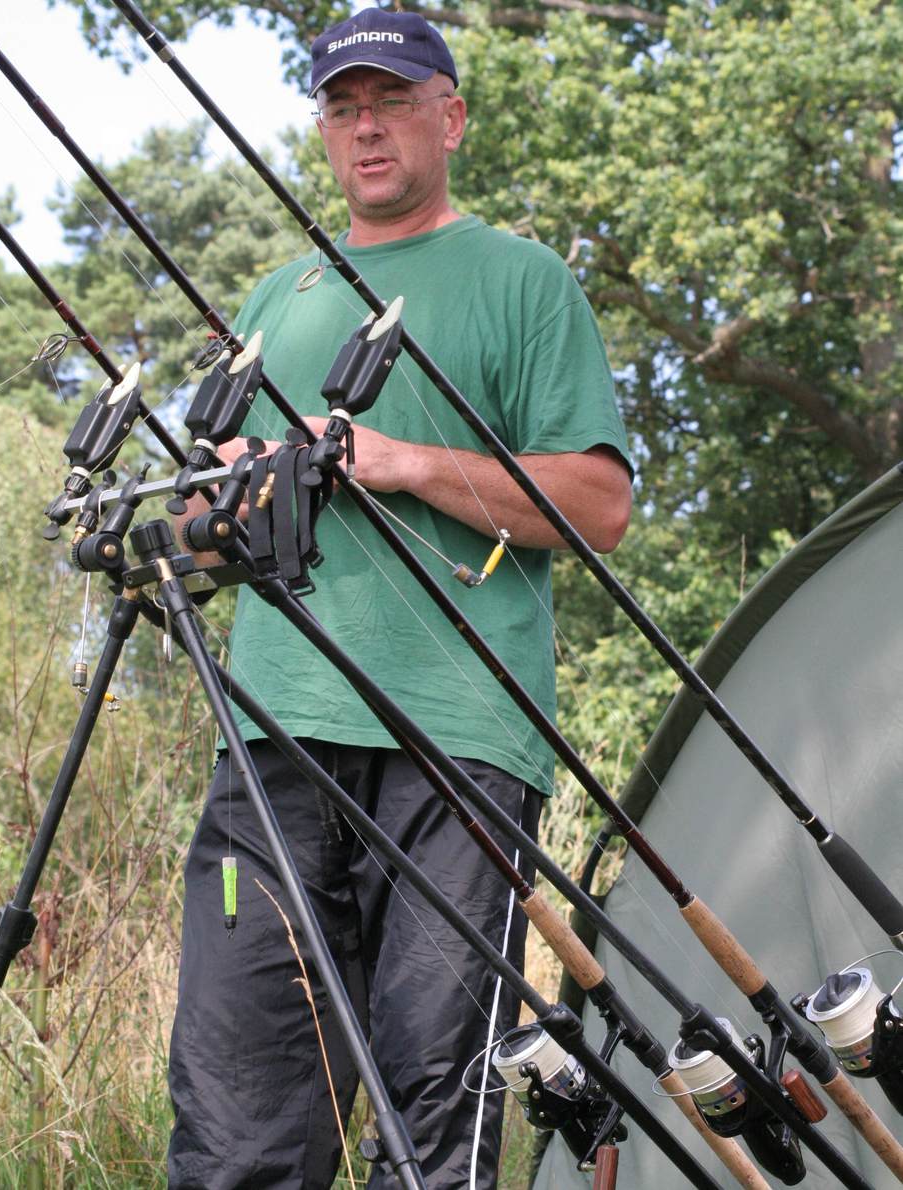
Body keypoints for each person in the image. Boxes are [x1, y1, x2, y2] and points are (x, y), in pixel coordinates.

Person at [168, 9, 633, 1189]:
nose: (364, 125)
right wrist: (215, 514)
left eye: (390, 98)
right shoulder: (278, 292)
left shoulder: (524, 282)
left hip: (457, 751)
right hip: (270, 741)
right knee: (236, 1121)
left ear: (450, 115)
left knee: (431, 1122)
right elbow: (191, 529)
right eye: (340, 105)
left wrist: (409, 462)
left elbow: (596, 503)